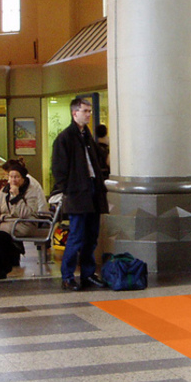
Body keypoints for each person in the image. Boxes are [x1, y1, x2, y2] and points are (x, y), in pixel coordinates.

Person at [52, 97, 109, 290]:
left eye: (90, 111)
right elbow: (59, 169)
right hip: (77, 193)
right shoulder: (65, 138)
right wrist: (69, 189)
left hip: (92, 190)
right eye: (85, 111)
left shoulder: (87, 137)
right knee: (76, 235)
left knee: (91, 236)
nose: (89, 114)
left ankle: (88, 273)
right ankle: (67, 276)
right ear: (74, 113)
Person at [0, 163, 40, 280]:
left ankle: (3, 268)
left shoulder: (31, 191)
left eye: (17, 177)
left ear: (23, 178)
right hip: (6, 223)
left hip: (24, 223)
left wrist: (17, 197)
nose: (14, 180)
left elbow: (27, 213)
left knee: (1, 236)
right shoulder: (4, 190)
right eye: (11, 177)